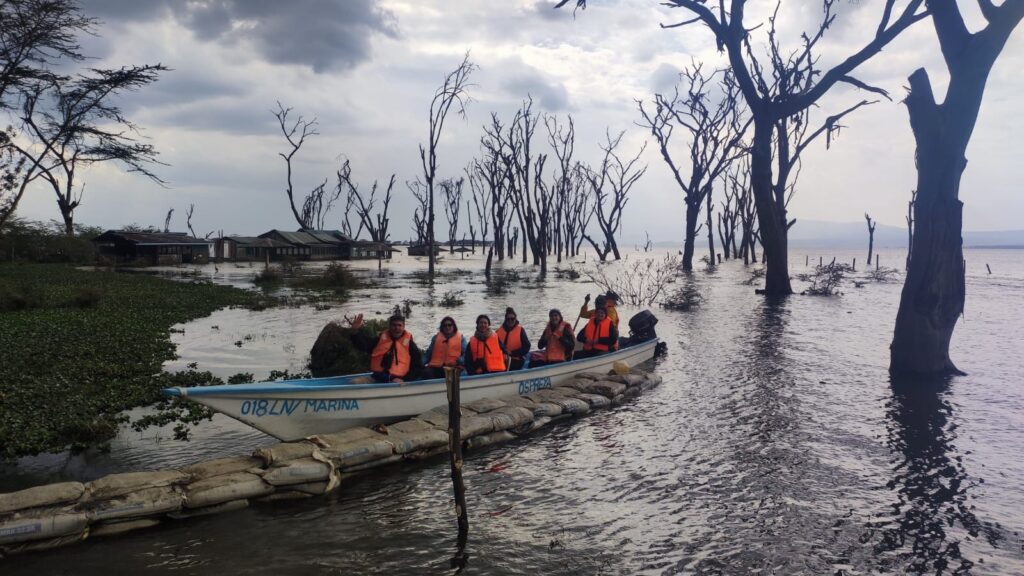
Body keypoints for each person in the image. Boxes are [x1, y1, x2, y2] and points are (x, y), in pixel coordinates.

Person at [349, 313, 423, 383]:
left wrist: (405, 379)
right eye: (394, 325)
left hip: (399, 381)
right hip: (378, 378)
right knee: (354, 382)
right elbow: (363, 345)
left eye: (399, 325)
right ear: (389, 326)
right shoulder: (380, 340)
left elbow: (418, 367)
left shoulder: (410, 345)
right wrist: (355, 331)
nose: (396, 328)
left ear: (403, 327)